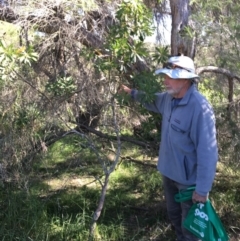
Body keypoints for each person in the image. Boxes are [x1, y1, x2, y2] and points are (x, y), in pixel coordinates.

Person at [120, 55, 218, 241]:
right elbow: (150, 100)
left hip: (189, 183)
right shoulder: (168, 99)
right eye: (164, 75)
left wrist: (203, 190)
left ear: (186, 78)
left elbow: (208, 152)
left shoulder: (200, 108)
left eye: (170, 76)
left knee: (191, 229)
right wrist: (130, 92)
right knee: (174, 217)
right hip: (168, 173)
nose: (164, 80)